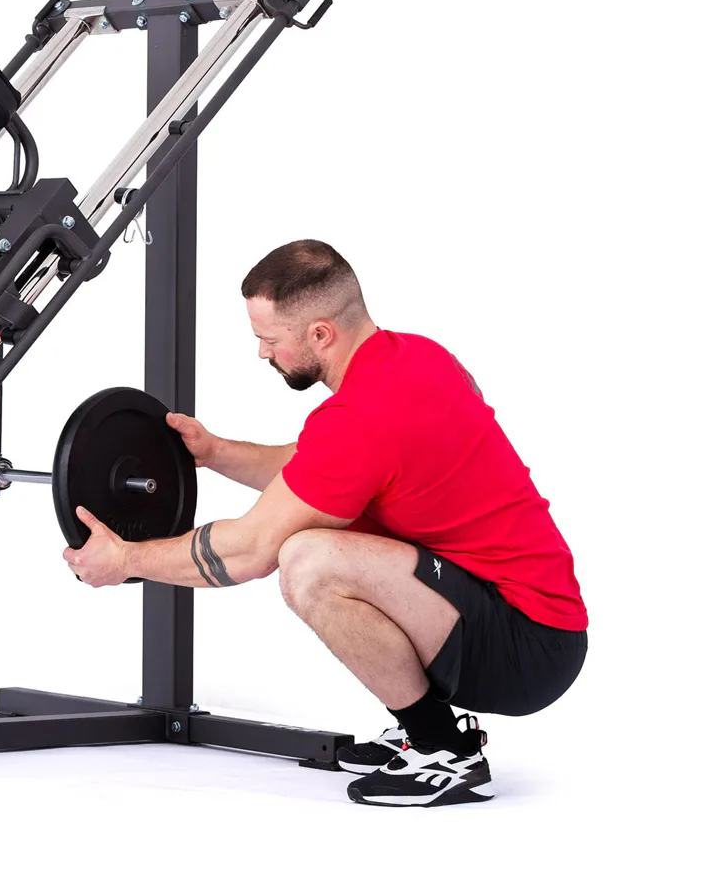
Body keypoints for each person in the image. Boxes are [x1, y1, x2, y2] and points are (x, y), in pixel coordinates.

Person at [64, 240, 587, 807]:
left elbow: (248, 551)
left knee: (309, 560)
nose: (262, 353)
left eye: (270, 340)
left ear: (320, 334)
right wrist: (215, 452)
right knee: (319, 541)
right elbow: (324, 468)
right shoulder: (417, 358)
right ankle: (424, 733)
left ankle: (443, 749)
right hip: (506, 614)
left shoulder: (362, 416)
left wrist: (126, 561)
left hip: (524, 645)